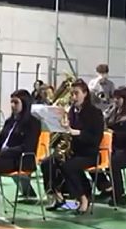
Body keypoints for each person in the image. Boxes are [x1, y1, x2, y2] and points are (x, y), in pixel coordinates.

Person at [41, 79, 104, 214]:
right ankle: (57, 196)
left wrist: (75, 132)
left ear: (85, 94)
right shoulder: (71, 111)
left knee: (68, 166)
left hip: (89, 153)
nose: (73, 97)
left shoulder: (95, 113)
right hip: (74, 151)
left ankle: (83, 198)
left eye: (76, 93)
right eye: (72, 94)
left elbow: (95, 138)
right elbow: (68, 131)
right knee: (47, 162)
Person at [0, 90, 42, 220]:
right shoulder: (9, 121)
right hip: (3, 157)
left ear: (25, 104)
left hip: (20, 160)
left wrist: (0, 154)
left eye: (16, 102)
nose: (12, 105)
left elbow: (27, 147)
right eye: (11, 102)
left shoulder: (33, 123)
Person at [100, 87, 126, 206]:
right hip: (117, 147)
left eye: (118, 98)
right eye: (115, 98)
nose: (115, 100)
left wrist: (115, 133)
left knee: (113, 163)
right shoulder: (114, 111)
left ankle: (119, 195)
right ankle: (106, 187)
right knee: (98, 158)